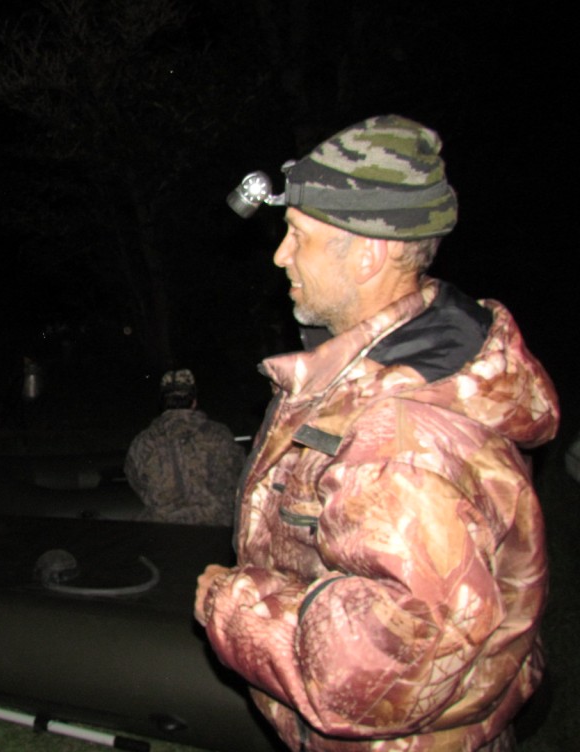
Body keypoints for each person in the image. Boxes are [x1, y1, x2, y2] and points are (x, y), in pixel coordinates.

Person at [195, 116, 559, 751]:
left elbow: (384, 669)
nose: (280, 255)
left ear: (368, 254)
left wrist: (231, 603)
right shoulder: (397, 356)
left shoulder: (404, 438)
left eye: (299, 236)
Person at [125, 369, 245, 525]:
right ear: (194, 401)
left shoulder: (143, 442)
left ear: (162, 403)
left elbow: (137, 483)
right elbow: (241, 475)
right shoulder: (220, 434)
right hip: (216, 527)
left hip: (165, 529)